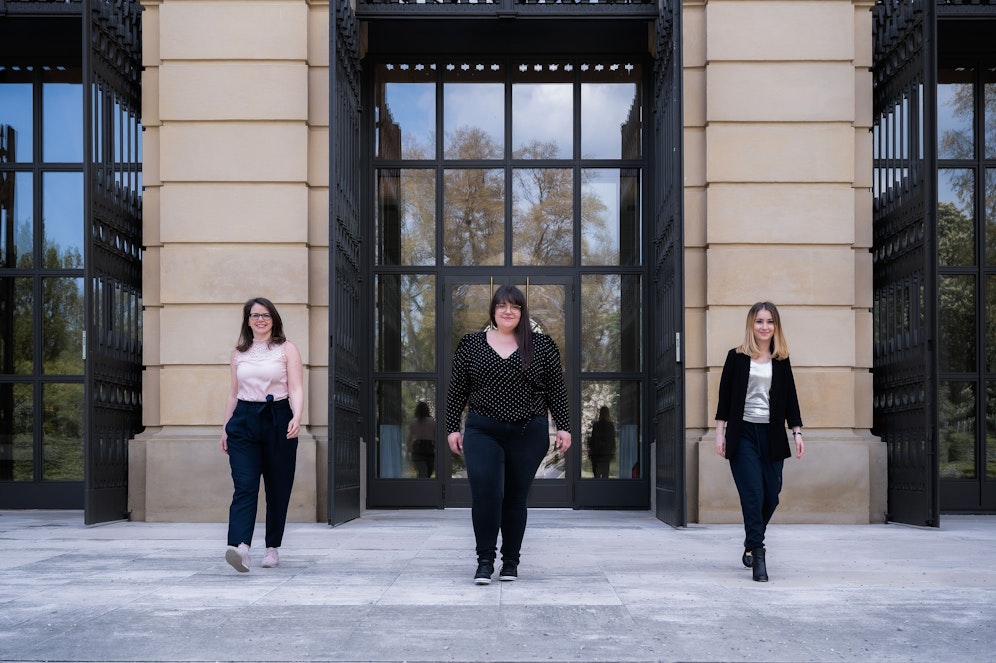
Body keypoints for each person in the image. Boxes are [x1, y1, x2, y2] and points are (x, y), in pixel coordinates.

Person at [446, 285, 572, 585]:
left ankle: (511, 563)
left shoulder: (541, 345)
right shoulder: (471, 345)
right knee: (486, 496)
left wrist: (564, 426)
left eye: (515, 306)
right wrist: (451, 428)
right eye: (502, 305)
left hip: (528, 431)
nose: (508, 311)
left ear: (522, 312)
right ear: (493, 310)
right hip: (482, 430)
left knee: (515, 498)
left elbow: (556, 390)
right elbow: (457, 390)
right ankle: (484, 562)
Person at [714, 301, 803, 582]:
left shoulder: (781, 359)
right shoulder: (736, 357)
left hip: (772, 434)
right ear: (751, 325)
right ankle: (759, 553)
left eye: (770, 321)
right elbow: (724, 397)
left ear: (776, 326)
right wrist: (720, 432)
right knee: (753, 494)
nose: (765, 327)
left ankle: (751, 540)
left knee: (771, 494)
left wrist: (797, 432)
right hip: (743, 434)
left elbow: (790, 398)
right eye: (759, 321)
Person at [220, 297, 304, 573]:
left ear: (273, 319)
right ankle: (240, 547)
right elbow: (233, 393)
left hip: (277, 417)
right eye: (255, 315)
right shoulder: (238, 353)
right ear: (247, 320)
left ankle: (272, 548)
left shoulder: (287, 348)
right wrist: (225, 427)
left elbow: (296, 387)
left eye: (265, 315)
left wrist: (296, 416)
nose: (260, 320)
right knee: (245, 484)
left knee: (278, 487)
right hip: (243, 420)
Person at [407, 401, 436, 478]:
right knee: (428, 472)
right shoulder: (431, 421)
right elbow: (435, 435)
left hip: (417, 447)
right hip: (429, 447)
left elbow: (409, 438)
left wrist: (408, 449)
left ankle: (420, 483)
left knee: (421, 472)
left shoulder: (413, 422)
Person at [587, 406, 616, 479]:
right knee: (605, 475)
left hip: (597, 454)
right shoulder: (610, 425)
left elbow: (593, 440)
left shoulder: (596, 425)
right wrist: (613, 452)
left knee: (596, 475)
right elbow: (612, 440)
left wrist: (591, 450)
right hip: (606, 454)